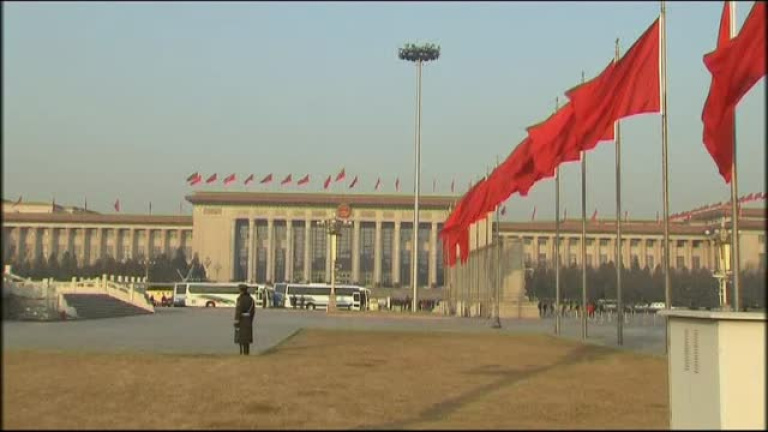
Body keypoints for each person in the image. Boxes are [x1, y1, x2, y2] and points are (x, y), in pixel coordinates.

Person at [234, 284, 256, 355]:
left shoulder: (240, 299)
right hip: (248, 319)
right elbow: (253, 311)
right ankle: (247, 352)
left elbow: (238, 310)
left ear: (241, 290)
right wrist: (250, 320)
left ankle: (241, 352)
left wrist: (236, 320)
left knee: (241, 337)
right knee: (247, 338)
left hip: (241, 319)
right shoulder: (251, 299)